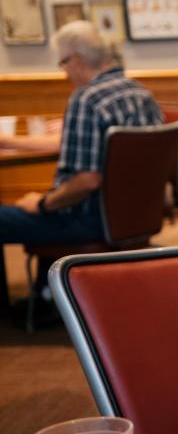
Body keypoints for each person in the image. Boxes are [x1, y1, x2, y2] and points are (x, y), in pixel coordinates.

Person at [0, 21, 161, 320]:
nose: (64, 72)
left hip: (88, 221)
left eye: (63, 63)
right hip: (137, 216)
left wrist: (43, 203)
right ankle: (45, 295)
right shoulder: (140, 93)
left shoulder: (85, 100)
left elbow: (87, 181)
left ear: (74, 59)